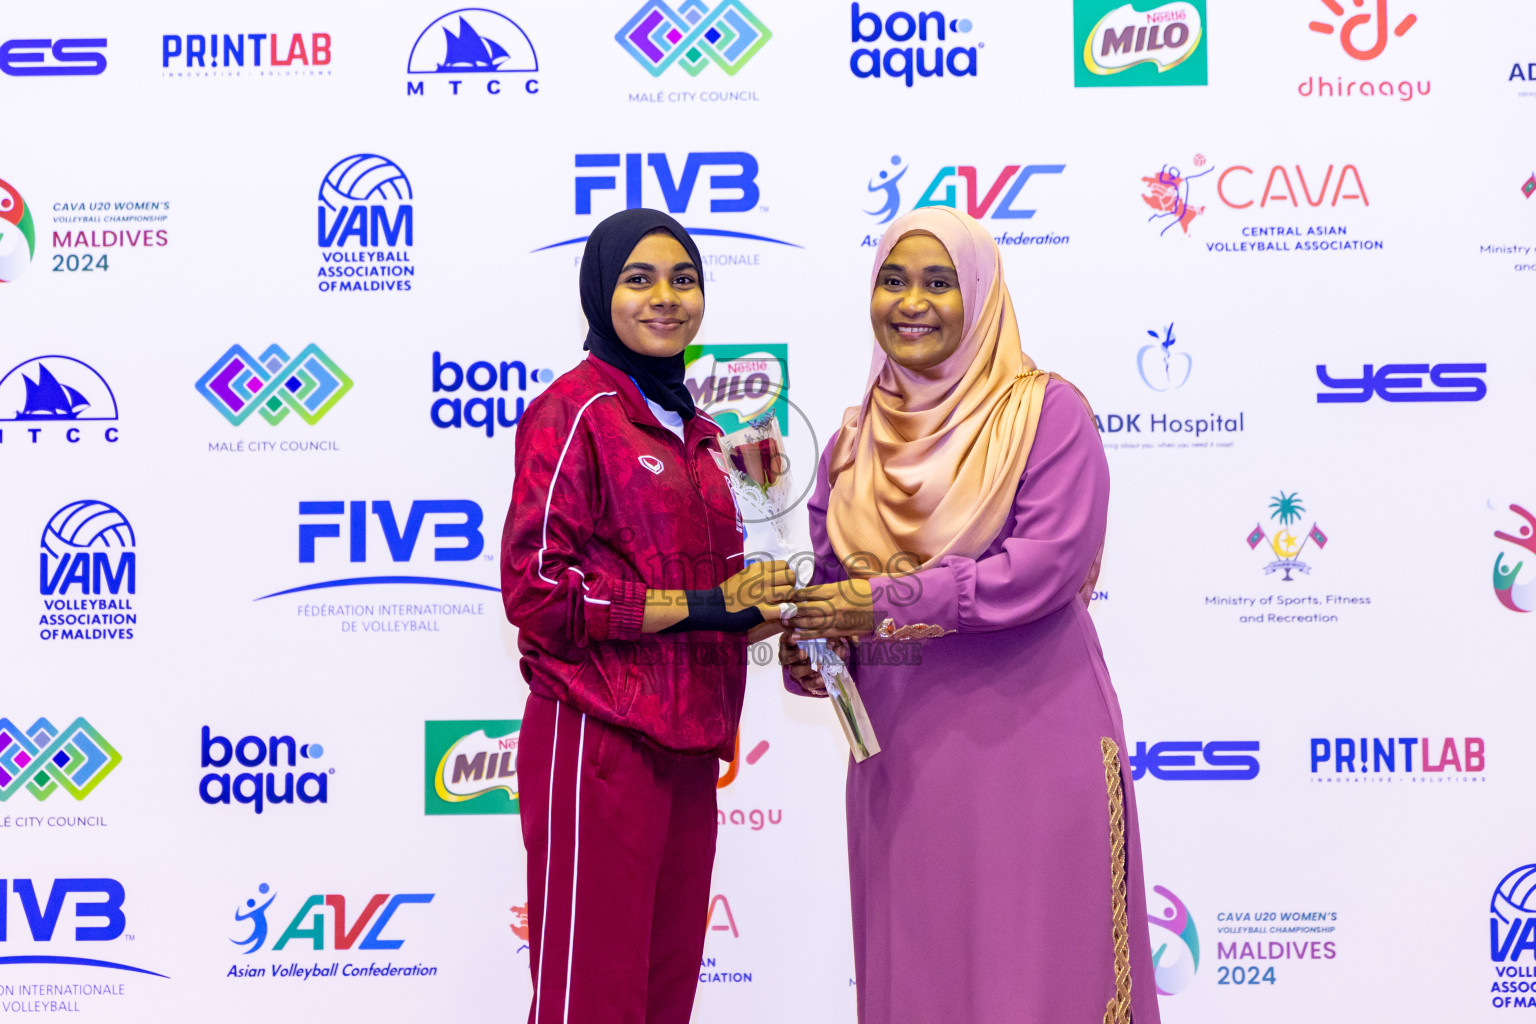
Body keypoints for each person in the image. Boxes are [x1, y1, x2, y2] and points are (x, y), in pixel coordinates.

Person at [781, 207, 1162, 1024]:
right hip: (901, 767)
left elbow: (1044, 568)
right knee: (919, 983)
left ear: (981, 298)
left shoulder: (1045, 414)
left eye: (938, 282)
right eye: (893, 280)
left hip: (1030, 746)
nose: (911, 303)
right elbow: (835, 586)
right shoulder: (852, 445)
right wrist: (812, 644)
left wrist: (883, 599)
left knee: (1041, 980)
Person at [501, 208, 795, 1024]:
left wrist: (763, 610)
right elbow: (536, 589)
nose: (665, 299)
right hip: (597, 737)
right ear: (601, 293)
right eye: (639, 280)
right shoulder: (575, 413)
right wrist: (706, 607)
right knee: (589, 997)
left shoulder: (697, 430)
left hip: (691, 742)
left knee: (665, 995)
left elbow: (710, 599)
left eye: (684, 279)